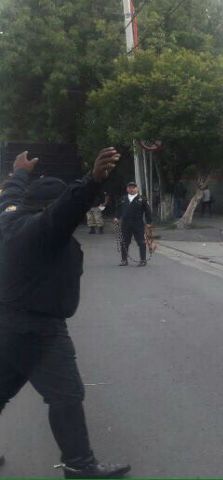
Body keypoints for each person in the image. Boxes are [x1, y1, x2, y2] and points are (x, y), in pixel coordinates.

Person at [0, 149, 131, 478]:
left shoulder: (10, 218)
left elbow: (10, 196)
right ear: (48, 209)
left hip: (9, 322)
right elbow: (66, 209)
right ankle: (79, 465)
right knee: (67, 395)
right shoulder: (42, 232)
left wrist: (19, 172)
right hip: (38, 328)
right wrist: (92, 181)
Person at [113, 181, 152, 267]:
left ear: (137, 189)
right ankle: (124, 260)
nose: (131, 189)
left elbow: (148, 211)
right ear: (127, 189)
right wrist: (116, 217)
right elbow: (118, 209)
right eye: (129, 187)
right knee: (124, 242)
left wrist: (149, 222)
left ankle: (143, 260)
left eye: (133, 187)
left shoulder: (142, 199)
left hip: (138, 223)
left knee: (141, 242)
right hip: (125, 223)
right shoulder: (123, 198)